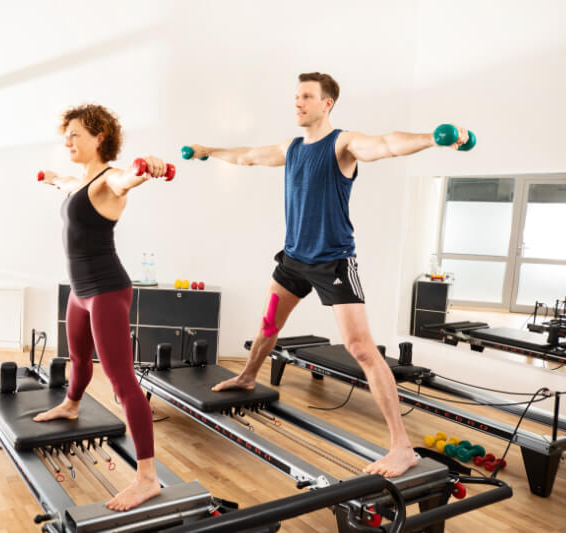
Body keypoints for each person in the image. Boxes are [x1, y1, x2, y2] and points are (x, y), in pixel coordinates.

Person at [185, 72, 471, 477]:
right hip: (293, 261)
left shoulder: (344, 143)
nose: (297, 103)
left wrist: (433, 137)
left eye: (306, 96)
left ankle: (402, 447)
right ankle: (248, 376)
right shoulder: (293, 147)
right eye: (296, 96)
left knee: (361, 348)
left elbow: (387, 144)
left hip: (333, 262)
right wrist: (207, 151)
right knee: (268, 324)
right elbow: (248, 155)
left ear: (327, 103)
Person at [35, 104, 167, 510]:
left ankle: (147, 478)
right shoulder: (80, 182)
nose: (68, 141)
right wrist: (51, 177)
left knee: (121, 381)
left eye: (75, 134)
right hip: (80, 291)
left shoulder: (109, 180)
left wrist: (149, 169)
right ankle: (72, 405)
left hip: (107, 291)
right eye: (67, 135)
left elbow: (129, 178)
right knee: (77, 356)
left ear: (99, 138)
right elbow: (64, 184)